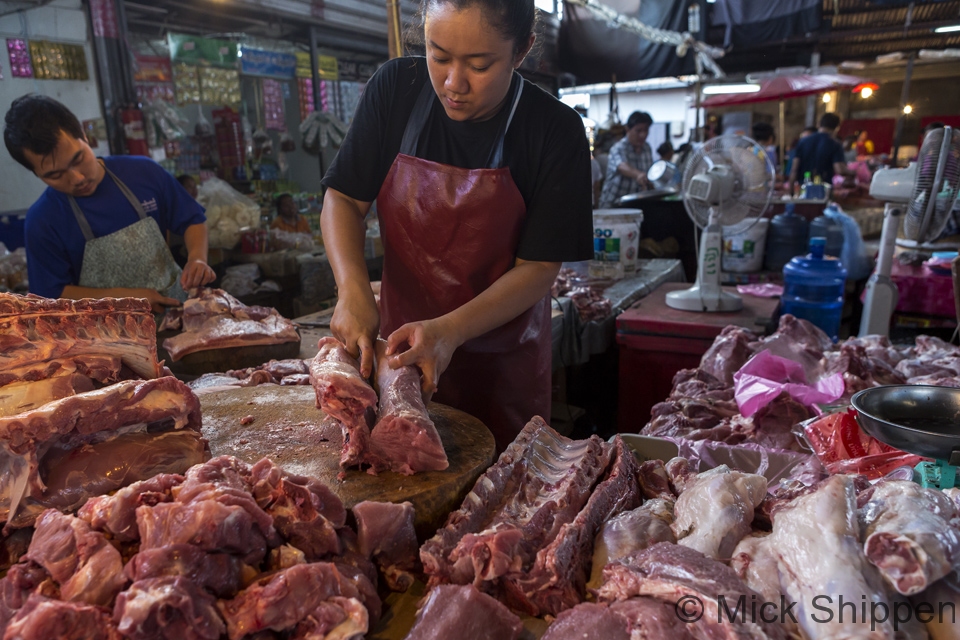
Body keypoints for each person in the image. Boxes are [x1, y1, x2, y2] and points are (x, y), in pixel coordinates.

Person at [318, 0, 593, 450]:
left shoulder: (554, 129)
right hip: (397, 360)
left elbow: (539, 267)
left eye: (480, 65)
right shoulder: (396, 89)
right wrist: (351, 290)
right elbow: (344, 198)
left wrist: (449, 331)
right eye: (438, 55)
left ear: (522, 50)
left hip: (502, 366)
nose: (453, 83)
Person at [4, 95, 215, 313]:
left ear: (85, 137)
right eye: (55, 175)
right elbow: (52, 294)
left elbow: (192, 219)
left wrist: (197, 259)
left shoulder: (143, 173)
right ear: (37, 174)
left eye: (78, 159)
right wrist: (124, 300)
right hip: (106, 335)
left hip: (178, 315)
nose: (77, 178)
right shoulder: (43, 221)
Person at [598, 110, 654, 208]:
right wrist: (638, 174)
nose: (643, 135)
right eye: (638, 130)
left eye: (646, 130)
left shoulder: (647, 148)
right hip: (613, 205)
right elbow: (621, 166)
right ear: (627, 129)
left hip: (634, 205)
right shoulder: (618, 148)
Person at [787, 113, 850, 194]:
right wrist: (853, 172)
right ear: (837, 127)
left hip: (803, 188)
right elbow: (840, 170)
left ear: (818, 124)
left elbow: (794, 169)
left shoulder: (803, 141)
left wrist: (790, 193)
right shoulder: (835, 144)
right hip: (823, 190)